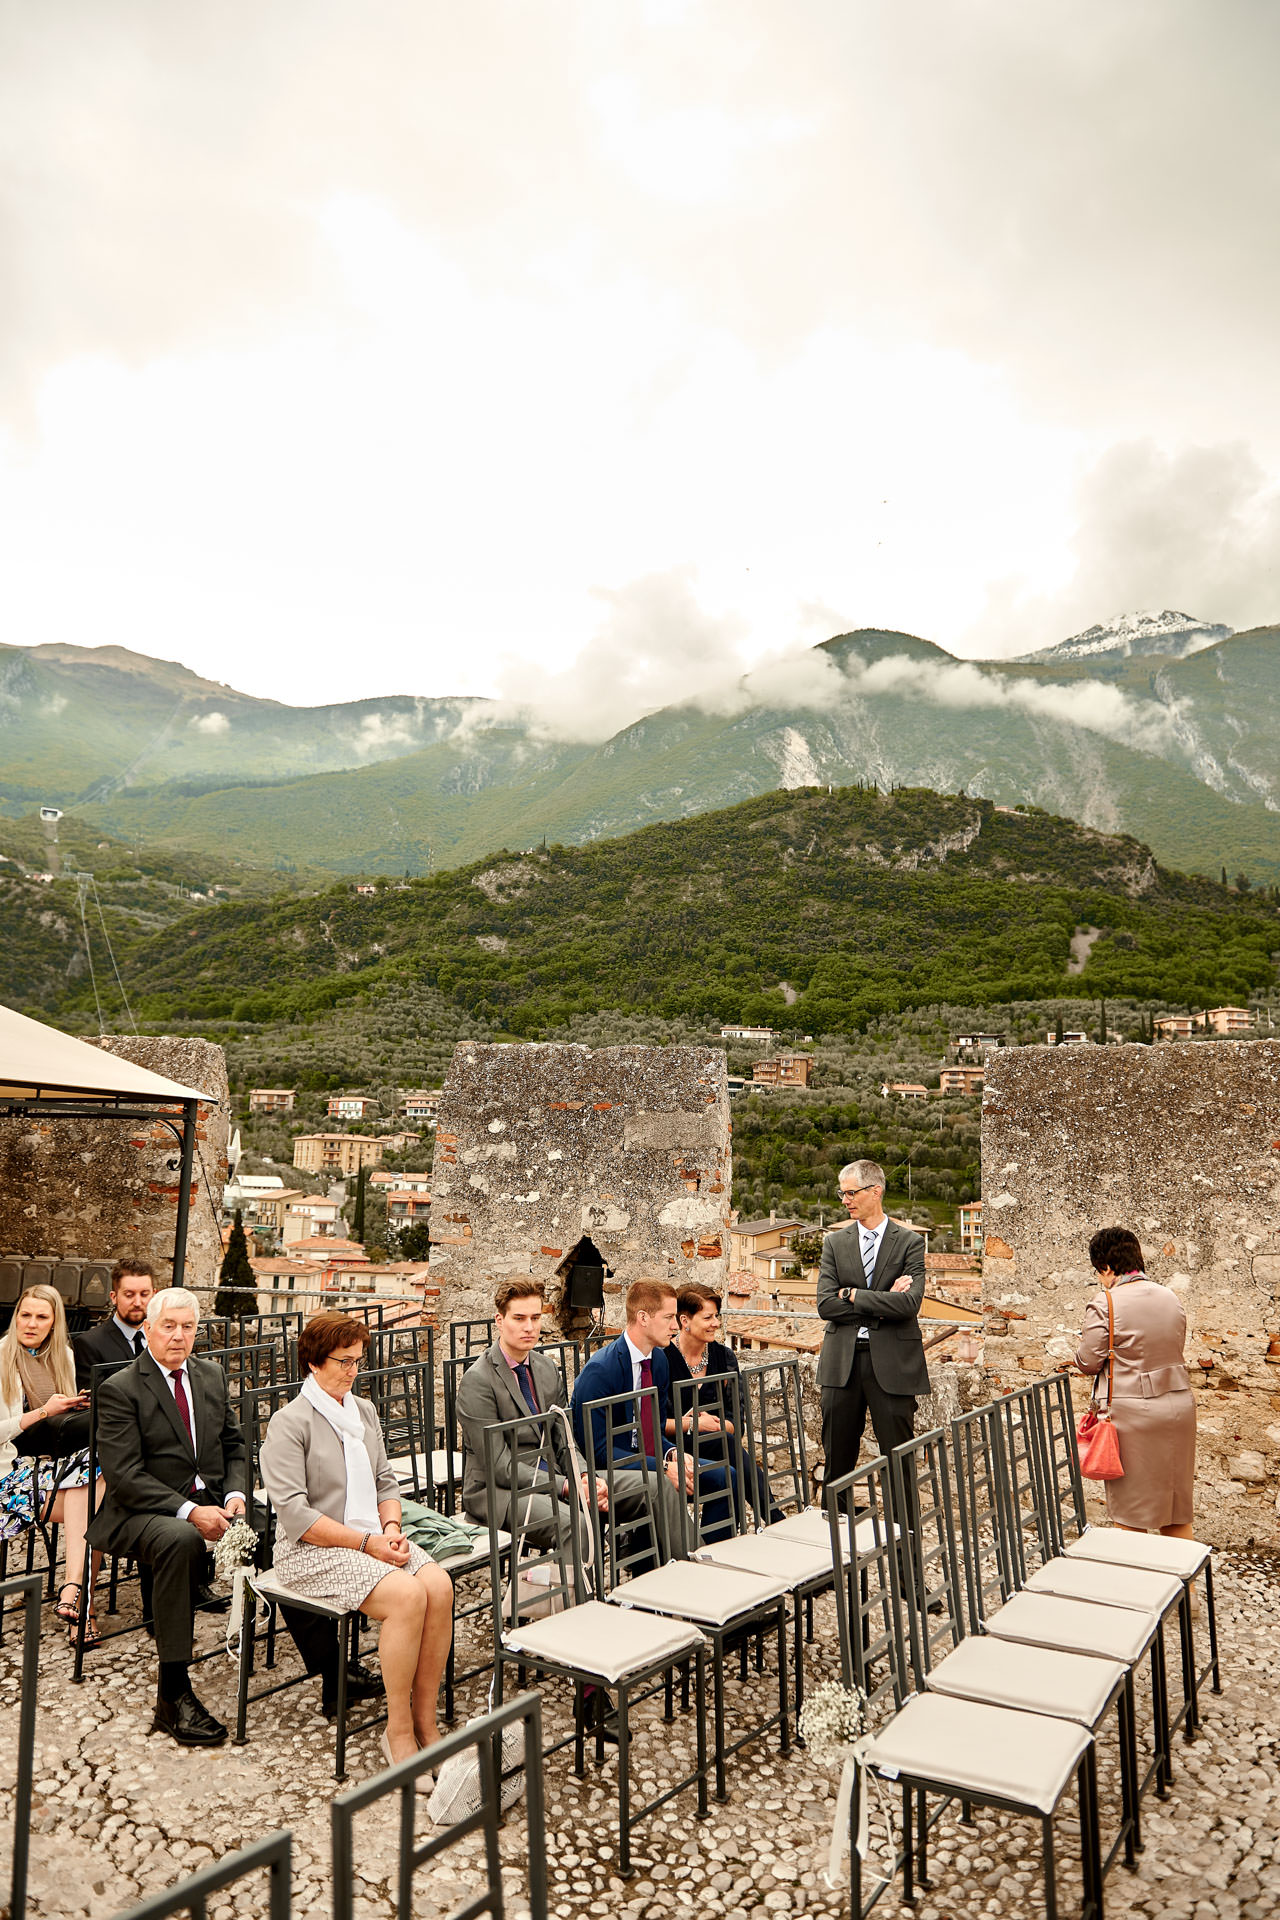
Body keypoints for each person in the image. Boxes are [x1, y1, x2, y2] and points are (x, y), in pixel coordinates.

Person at [259, 1312, 453, 1773]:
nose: (353, 1371)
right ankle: (399, 1729)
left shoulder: (362, 1411)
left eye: (358, 1361)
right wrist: (368, 1543)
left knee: (440, 1586)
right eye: (343, 1362)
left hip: (371, 1535)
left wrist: (389, 1530)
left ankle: (427, 1722)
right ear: (313, 1362)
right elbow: (296, 1515)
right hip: (311, 1550)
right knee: (407, 1597)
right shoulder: (290, 1423)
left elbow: (386, 1481)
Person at [88, 1287, 247, 1746]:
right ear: (148, 1330)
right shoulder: (120, 1389)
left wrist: (236, 1495)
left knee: (282, 1524)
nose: (179, 1337)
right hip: (141, 1509)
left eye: (188, 1327)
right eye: (168, 1326)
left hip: (212, 1497)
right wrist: (193, 1511)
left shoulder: (211, 1375)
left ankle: (330, 1669)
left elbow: (235, 1445)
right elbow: (125, 1477)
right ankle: (173, 1696)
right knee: (181, 1540)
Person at [458, 1280, 654, 1548]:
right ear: (499, 1321)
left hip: (557, 1476)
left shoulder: (546, 1369)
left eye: (535, 1317)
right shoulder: (477, 1381)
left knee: (654, 1487)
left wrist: (585, 1477)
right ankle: (584, 1591)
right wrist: (565, 1486)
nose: (529, 1327)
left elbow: (565, 1439)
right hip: (500, 1492)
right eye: (519, 1318)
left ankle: (676, 1574)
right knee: (577, 1524)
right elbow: (500, 1467)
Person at [571, 1278, 731, 1549]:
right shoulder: (601, 1370)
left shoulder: (658, 1361)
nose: (675, 1325)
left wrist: (673, 1454)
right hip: (608, 1473)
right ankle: (693, 1561)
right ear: (643, 1318)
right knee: (663, 1484)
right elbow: (597, 1452)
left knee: (723, 1476)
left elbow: (653, 1429)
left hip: (651, 1462)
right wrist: (664, 1467)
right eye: (669, 1317)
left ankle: (714, 1557)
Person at [1075, 1226, 1196, 1537]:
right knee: (1175, 1510)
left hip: (1132, 1416)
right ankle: (1185, 1586)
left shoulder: (1106, 1303)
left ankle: (1136, 1582)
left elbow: (1089, 1362)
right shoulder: (1170, 1297)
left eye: (1098, 1271)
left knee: (1130, 1512)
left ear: (1105, 1267)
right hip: (1179, 1408)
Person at [816, 1159, 928, 1490]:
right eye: (842, 1193)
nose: (845, 1200)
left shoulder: (910, 1242)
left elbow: (909, 1304)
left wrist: (851, 1295)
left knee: (899, 1462)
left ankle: (903, 1539)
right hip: (841, 1367)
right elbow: (825, 1304)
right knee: (837, 1463)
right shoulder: (834, 1244)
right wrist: (881, 1301)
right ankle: (833, 1534)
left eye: (851, 1193)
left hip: (893, 1365)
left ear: (875, 1190)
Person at [0, 1286, 102, 1644]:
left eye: (42, 1317)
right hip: (9, 1477)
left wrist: (75, 1408)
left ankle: (74, 1593)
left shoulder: (63, 1359)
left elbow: (64, 1428)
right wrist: (44, 1411)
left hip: (54, 1466)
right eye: (25, 1315)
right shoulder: (0, 1358)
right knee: (97, 1500)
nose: (31, 1323)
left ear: (54, 1322)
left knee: (95, 1479)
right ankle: (80, 1605)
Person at [664, 1283, 782, 1523]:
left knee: (725, 1444)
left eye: (717, 1316)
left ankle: (726, 1537)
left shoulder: (724, 1357)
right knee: (728, 1452)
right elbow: (654, 1424)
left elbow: (737, 1424)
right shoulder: (663, 1358)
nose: (716, 1323)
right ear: (684, 1320)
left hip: (718, 1445)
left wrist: (714, 1426)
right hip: (675, 1451)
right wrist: (692, 1424)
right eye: (708, 1317)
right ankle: (774, 1518)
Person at [73, 1258, 155, 1388]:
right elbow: (95, 1402)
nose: (138, 1302)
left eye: (144, 1294)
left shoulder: (161, 1337)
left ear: (154, 1294)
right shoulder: (89, 1344)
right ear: (114, 1297)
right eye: (129, 1295)